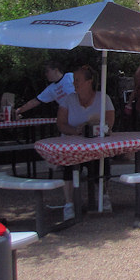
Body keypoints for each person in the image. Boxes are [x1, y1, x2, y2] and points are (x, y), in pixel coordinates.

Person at [56, 64, 116, 217]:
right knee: (69, 164)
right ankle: (69, 203)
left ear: (89, 82)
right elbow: (61, 123)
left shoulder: (103, 98)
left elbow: (109, 124)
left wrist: (93, 126)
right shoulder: (69, 99)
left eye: (78, 80)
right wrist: (76, 131)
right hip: (73, 146)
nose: (74, 83)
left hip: (96, 145)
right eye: (74, 80)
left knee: (102, 161)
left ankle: (104, 196)